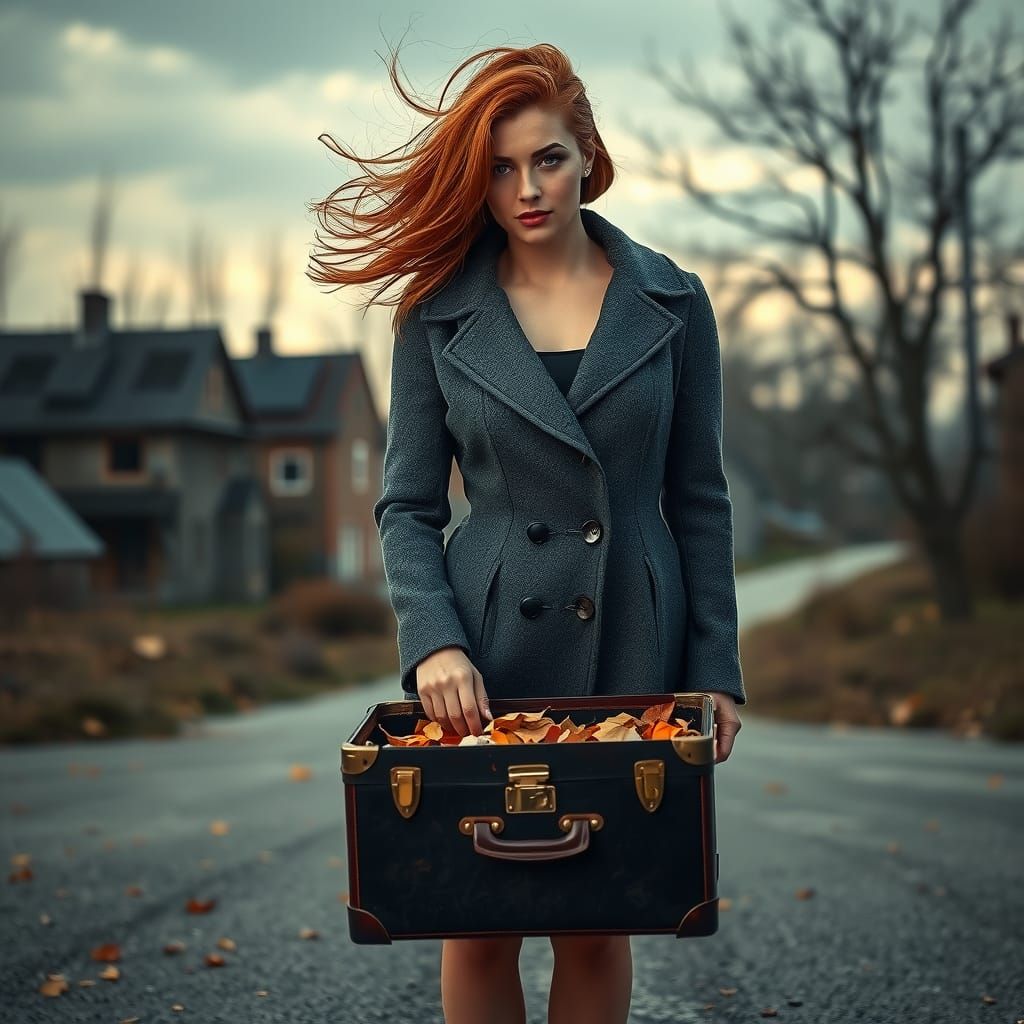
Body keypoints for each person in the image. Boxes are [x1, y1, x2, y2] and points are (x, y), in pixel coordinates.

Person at [308, 40, 745, 1024]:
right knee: (480, 913)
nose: (526, 188)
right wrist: (434, 642)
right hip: (487, 645)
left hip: (633, 637)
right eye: (499, 169)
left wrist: (715, 666)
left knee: (598, 916)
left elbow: (700, 500)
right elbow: (407, 505)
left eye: (546, 158)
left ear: (586, 150)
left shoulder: (673, 301)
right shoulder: (434, 313)